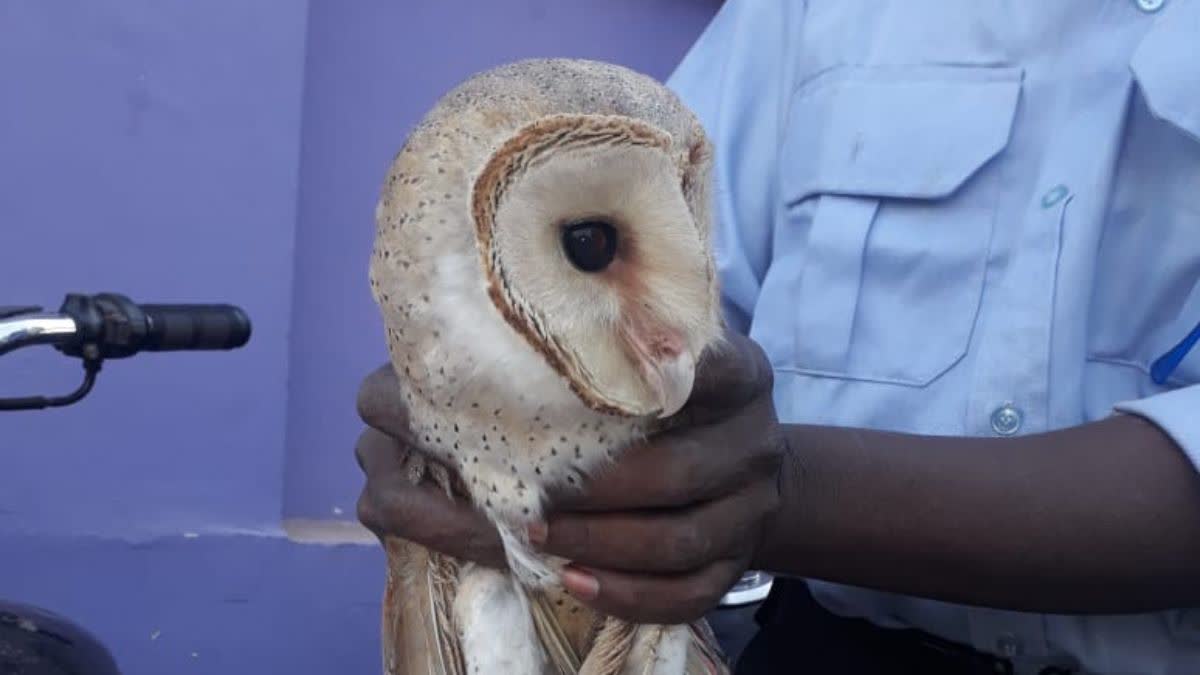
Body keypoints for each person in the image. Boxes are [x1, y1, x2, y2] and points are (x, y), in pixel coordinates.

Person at [354, 1, 1200, 673]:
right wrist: (482, 409)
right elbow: (667, 267)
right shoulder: (815, 12)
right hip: (825, 648)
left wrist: (773, 493)